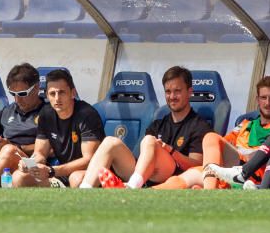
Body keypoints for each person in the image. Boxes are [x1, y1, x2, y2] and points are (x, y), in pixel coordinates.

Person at [75, 66, 213, 189]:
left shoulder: (199, 126)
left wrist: (170, 151)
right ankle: (85, 191)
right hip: (146, 176)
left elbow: (197, 166)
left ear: (189, 92)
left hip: (175, 177)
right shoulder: (158, 124)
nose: (172, 96)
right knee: (110, 142)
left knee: (149, 140)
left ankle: (132, 187)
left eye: (177, 91)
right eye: (168, 91)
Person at [161, 76, 270, 190]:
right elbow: (221, 145)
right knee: (182, 177)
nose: (267, 103)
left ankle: (214, 186)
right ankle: (139, 189)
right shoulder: (245, 125)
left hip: (260, 176)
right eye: (263, 98)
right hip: (232, 171)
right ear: (257, 100)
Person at [12, 69, 105, 188]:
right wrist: (30, 164)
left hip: (87, 172)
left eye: (61, 93)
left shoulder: (87, 114)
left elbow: (89, 160)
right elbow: (40, 153)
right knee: (18, 177)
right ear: (46, 95)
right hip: (60, 173)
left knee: (76, 178)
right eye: (52, 93)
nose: (57, 98)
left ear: (73, 93)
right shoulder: (46, 114)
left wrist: (53, 171)